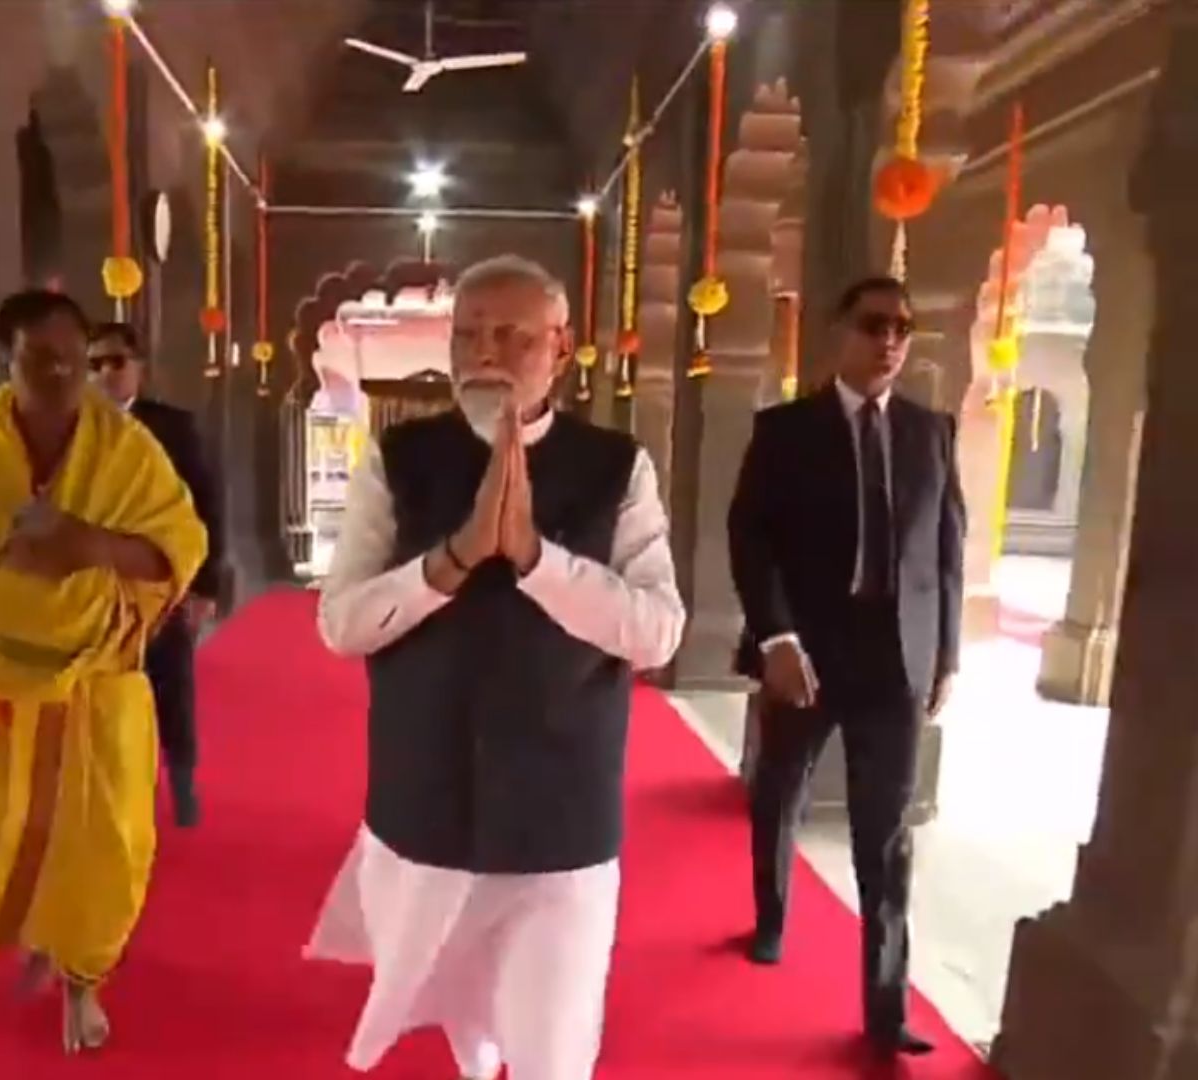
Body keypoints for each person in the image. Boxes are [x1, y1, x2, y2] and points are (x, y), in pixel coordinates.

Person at [306, 255, 684, 1080]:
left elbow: (656, 631)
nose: (486, 353)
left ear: (561, 346)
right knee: (468, 1032)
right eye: (469, 333)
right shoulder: (400, 459)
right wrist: (453, 559)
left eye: (512, 336)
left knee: (551, 1049)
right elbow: (342, 623)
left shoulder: (617, 467)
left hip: (561, 812)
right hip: (425, 802)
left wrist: (534, 558)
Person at [0, 289, 208, 1053]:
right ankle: (45, 938)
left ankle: (84, 980)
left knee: (104, 846)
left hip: (99, 685)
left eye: (74, 356)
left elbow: (176, 548)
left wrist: (86, 543)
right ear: (6, 359)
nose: (64, 370)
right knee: (7, 837)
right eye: (43, 357)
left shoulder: (127, 452)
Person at [729, 275, 964, 1058]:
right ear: (839, 333)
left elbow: (949, 554)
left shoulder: (932, 432)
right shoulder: (785, 431)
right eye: (873, 324)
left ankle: (885, 1006)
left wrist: (948, 657)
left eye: (903, 325)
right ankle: (771, 914)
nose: (890, 339)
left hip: (897, 659)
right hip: (807, 654)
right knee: (779, 793)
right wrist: (776, 639)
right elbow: (751, 538)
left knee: (887, 833)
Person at [87, 321, 224, 826]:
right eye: (94, 364)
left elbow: (206, 506)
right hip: (96, 589)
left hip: (163, 583)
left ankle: (183, 782)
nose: (105, 374)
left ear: (139, 368)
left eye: (116, 362)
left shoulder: (171, 427)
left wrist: (205, 585)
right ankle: (118, 792)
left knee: (170, 687)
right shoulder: (73, 432)